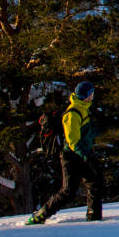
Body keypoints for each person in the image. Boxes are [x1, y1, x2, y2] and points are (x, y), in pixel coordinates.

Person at [28, 81, 105, 224]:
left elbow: (83, 134)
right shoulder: (73, 113)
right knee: (68, 191)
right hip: (71, 157)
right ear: (87, 95)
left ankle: (94, 218)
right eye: (92, 93)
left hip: (81, 154)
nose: (93, 95)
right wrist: (87, 156)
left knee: (95, 182)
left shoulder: (83, 108)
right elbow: (73, 141)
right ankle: (40, 215)